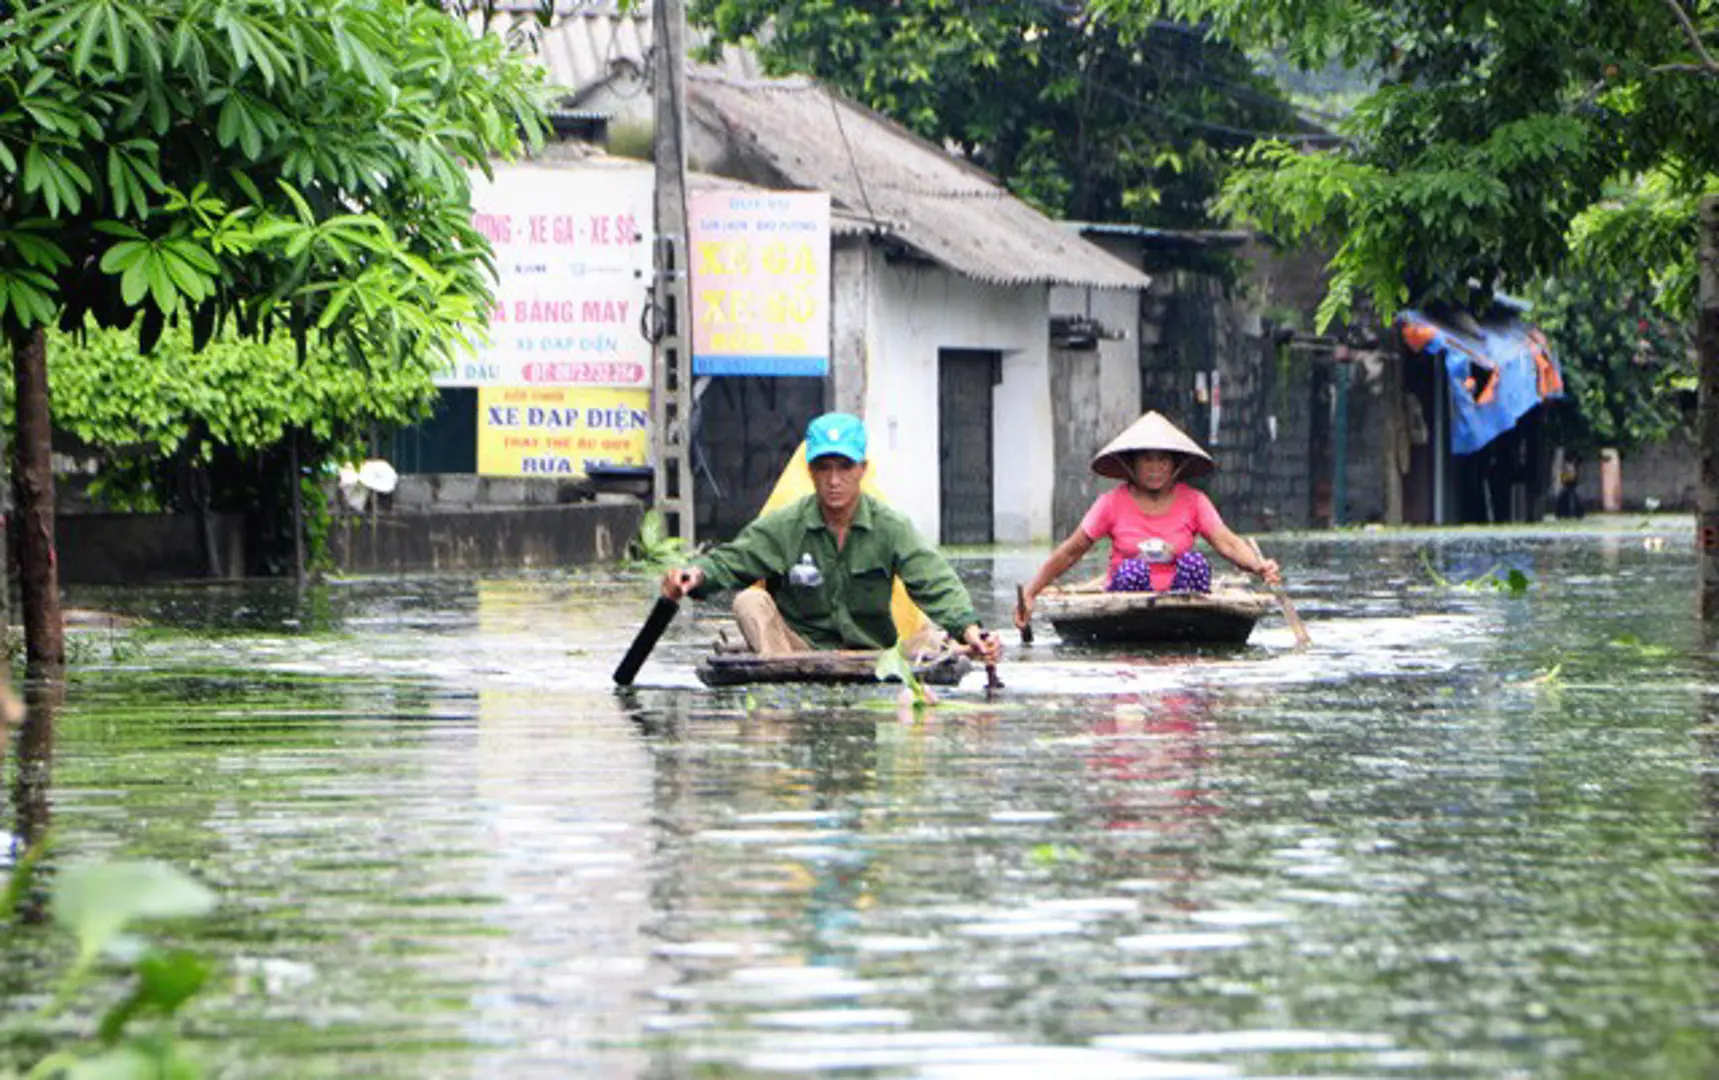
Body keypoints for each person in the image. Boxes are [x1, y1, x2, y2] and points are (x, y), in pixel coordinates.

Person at [662, 412, 1003, 664]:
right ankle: (780, 674)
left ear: (862, 470)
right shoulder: (787, 525)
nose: (834, 480)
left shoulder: (890, 527)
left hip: (874, 655)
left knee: (933, 641)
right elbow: (731, 562)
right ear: (811, 471)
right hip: (797, 653)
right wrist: (694, 577)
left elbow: (934, 581)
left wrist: (970, 631)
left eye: (844, 467)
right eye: (824, 467)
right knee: (748, 602)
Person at [1016, 411, 1282, 629]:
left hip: (1181, 595)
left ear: (1175, 465)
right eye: (1147, 460)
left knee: (1196, 563)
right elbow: (1071, 551)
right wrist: (1031, 591)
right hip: (1126, 595)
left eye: (1163, 460)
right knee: (1135, 570)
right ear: (1132, 465)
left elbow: (1227, 542)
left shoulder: (1194, 501)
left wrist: (1259, 566)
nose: (1156, 468)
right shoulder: (1110, 503)